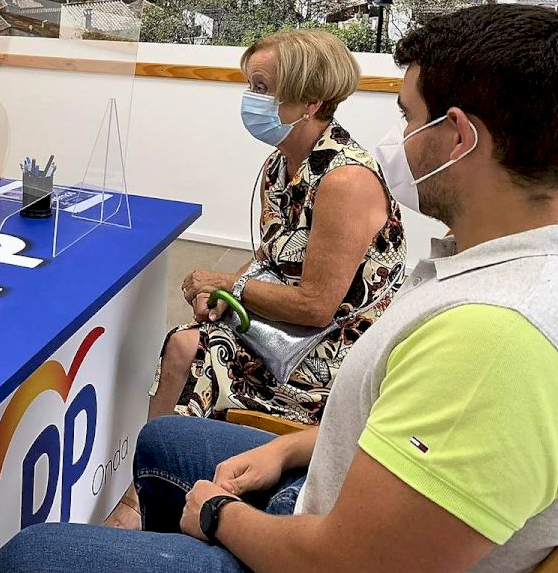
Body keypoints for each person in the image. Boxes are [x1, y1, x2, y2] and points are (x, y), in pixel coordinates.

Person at [0, 3, 558, 573]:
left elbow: (348, 563)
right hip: (330, 485)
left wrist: (220, 515)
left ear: (459, 137)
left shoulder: (498, 338)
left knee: (31, 554)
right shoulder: (494, 273)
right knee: (164, 436)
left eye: (409, 118)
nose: (398, 139)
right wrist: (290, 449)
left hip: (315, 541)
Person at [106, 29, 406, 528]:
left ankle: (161, 500)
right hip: (290, 331)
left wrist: (231, 285)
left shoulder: (345, 181)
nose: (251, 99)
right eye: (251, 85)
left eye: (263, 87)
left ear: (310, 101)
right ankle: (151, 492)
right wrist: (223, 293)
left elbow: (317, 306)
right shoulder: (281, 164)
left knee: (190, 349)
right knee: (183, 344)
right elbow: (269, 257)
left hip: (330, 354)